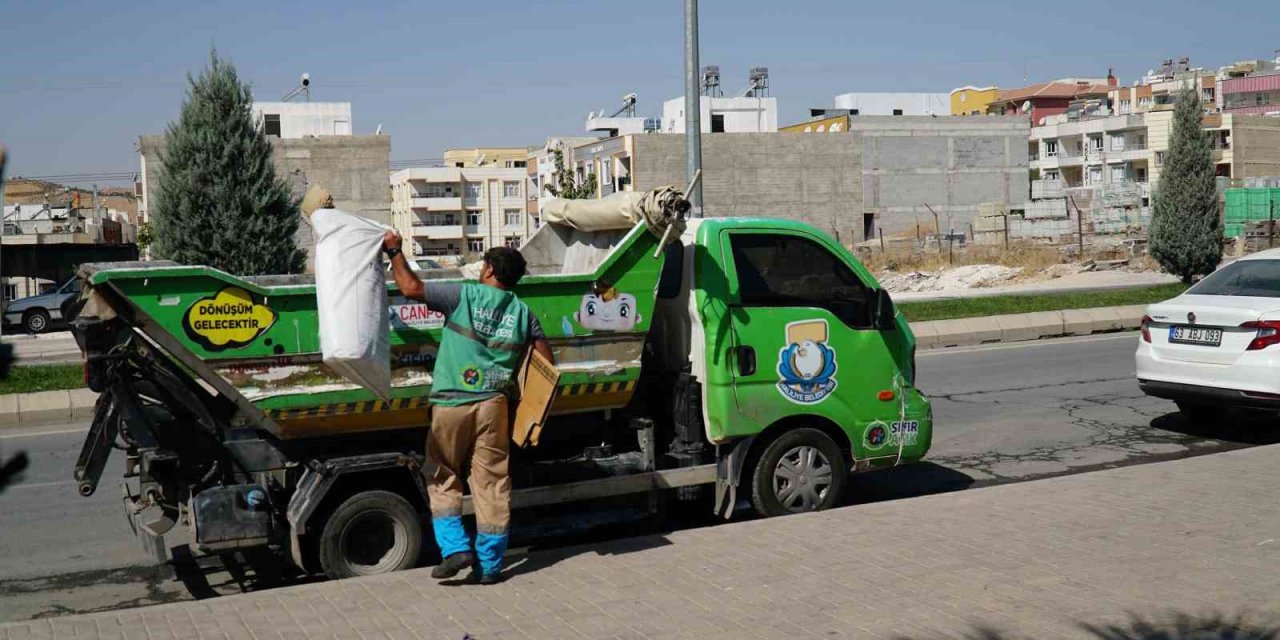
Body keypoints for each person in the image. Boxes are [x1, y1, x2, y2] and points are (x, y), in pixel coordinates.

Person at [383, 231, 553, 585]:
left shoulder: (464, 294)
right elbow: (545, 367)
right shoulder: (524, 313)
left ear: (489, 269)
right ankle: (490, 566)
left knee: (442, 473)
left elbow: (411, 288)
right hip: (495, 406)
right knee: (491, 484)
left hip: (452, 402)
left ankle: (455, 549)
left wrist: (395, 251)